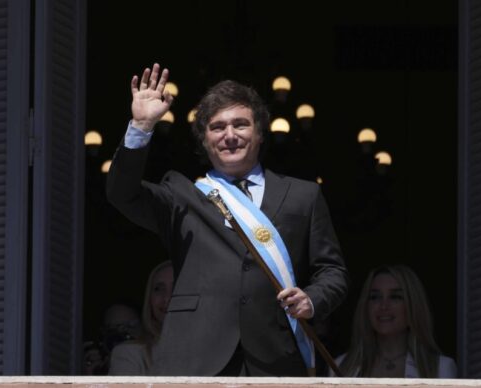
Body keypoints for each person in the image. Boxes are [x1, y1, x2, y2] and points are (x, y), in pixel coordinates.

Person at [106, 63, 348, 376]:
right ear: (204, 140)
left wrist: (312, 300)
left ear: (259, 133)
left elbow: (333, 271)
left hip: (275, 359)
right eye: (217, 127)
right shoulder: (180, 195)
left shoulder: (303, 195)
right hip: (194, 357)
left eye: (240, 125)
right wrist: (141, 127)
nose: (230, 135)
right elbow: (122, 194)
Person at [331, 264, 457, 378]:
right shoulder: (341, 366)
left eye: (395, 297)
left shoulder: (441, 368)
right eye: (375, 297)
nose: (383, 306)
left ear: (412, 305)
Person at [109, 261, 174, 375]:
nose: (167, 298)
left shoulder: (206, 352)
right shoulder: (130, 354)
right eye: (158, 289)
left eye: (176, 288)